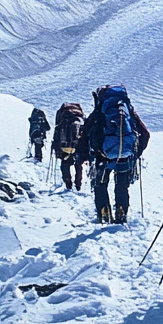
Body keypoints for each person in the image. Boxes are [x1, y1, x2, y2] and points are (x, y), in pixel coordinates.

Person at [76, 84, 149, 224]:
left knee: (100, 185)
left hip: (102, 157)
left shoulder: (99, 112)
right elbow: (145, 133)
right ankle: (121, 214)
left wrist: (83, 156)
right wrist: (135, 153)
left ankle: (104, 214)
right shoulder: (128, 112)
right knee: (122, 186)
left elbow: (84, 134)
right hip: (125, 157)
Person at [52, 102, 86, 190]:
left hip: (65, 146)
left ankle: (68, 183)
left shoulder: (63, 119)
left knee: (65, 164)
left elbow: (57, 134)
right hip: (78, 147)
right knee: (78, 165)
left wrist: (56, 148)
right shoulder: (80, 118)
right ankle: (78, 184)